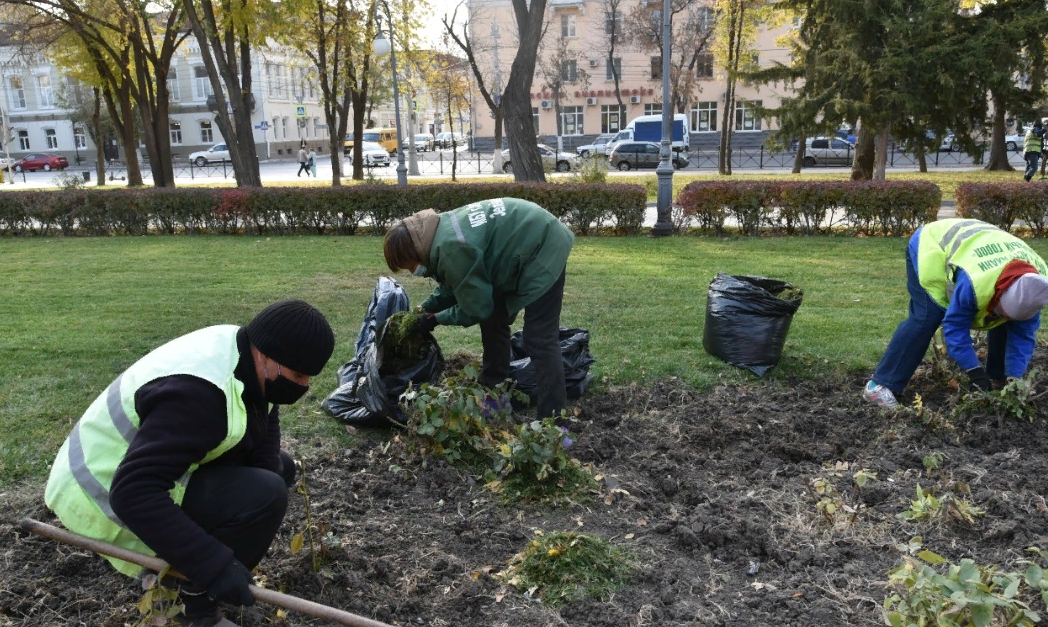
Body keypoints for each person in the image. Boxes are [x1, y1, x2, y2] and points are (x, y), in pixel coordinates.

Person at [44, 300, 335, 627]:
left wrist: (262, 486)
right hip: (97, 489)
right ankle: (193, 609)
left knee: (276, 474)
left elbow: (261, 417)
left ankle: (186, 573)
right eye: (298, 374)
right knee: (266, 494)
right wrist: (214, 565)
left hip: (143, 464)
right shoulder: (202, 396)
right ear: (266, 353)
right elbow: (132, 493)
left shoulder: (244, 351)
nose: (304, 386)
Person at [383, 198, 574, 420]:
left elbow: (476, 308)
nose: (410, 272)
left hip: (543, 245)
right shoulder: (433, 234)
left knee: (539, 338)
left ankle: (554, 420)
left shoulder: (451, 247)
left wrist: (434, 319)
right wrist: (426, 307)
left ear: (412, 252)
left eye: (407, 267)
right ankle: (497, 396)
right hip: (518, 246)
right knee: (494, 321)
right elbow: (459, 284)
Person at [864, 218, 1048, 409]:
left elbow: (1023, 336)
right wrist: (973, 370)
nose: (1000, 316)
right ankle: (881, 384)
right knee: (928, 315)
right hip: (931, 245)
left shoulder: (1036, 289)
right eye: (1000, 311)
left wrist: (1014, 377)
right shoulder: (976, 283)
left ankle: (998, 379)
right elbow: (954, 327)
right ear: (998, 293)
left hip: (984, 248)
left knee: (1006, 322)